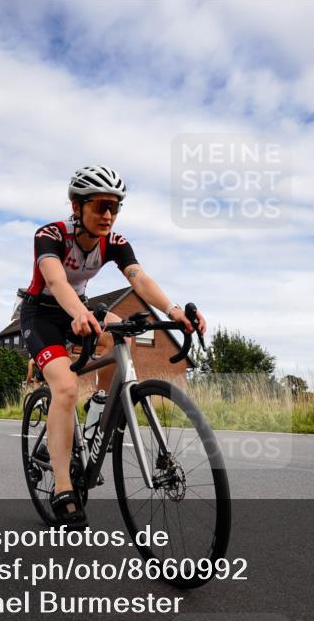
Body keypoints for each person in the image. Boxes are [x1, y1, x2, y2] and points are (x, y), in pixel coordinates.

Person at [21, 165, 206, 528]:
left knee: (122, 331)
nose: (108, 215)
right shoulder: (50, 235)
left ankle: (100, 406)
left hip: (79, 308)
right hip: (43, 314)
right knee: (65, 386)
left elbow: (140, 279)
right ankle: (63, 488)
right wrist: (77, 312)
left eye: (115, 207)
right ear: (77, 206)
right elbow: (56, 281)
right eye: (100, 206)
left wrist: (172, 310)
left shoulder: (115, 243)